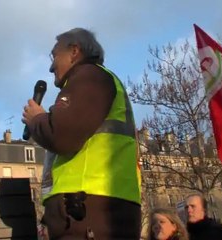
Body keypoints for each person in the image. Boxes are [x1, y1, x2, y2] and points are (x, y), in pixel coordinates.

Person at [22, 28, 141, 239]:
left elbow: (61, 136)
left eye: (54, 55)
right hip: (92, 212)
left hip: (88, 212)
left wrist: (37, 119)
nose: (51, 67)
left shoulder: (90, 77)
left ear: (74, 51)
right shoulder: (94, 82)